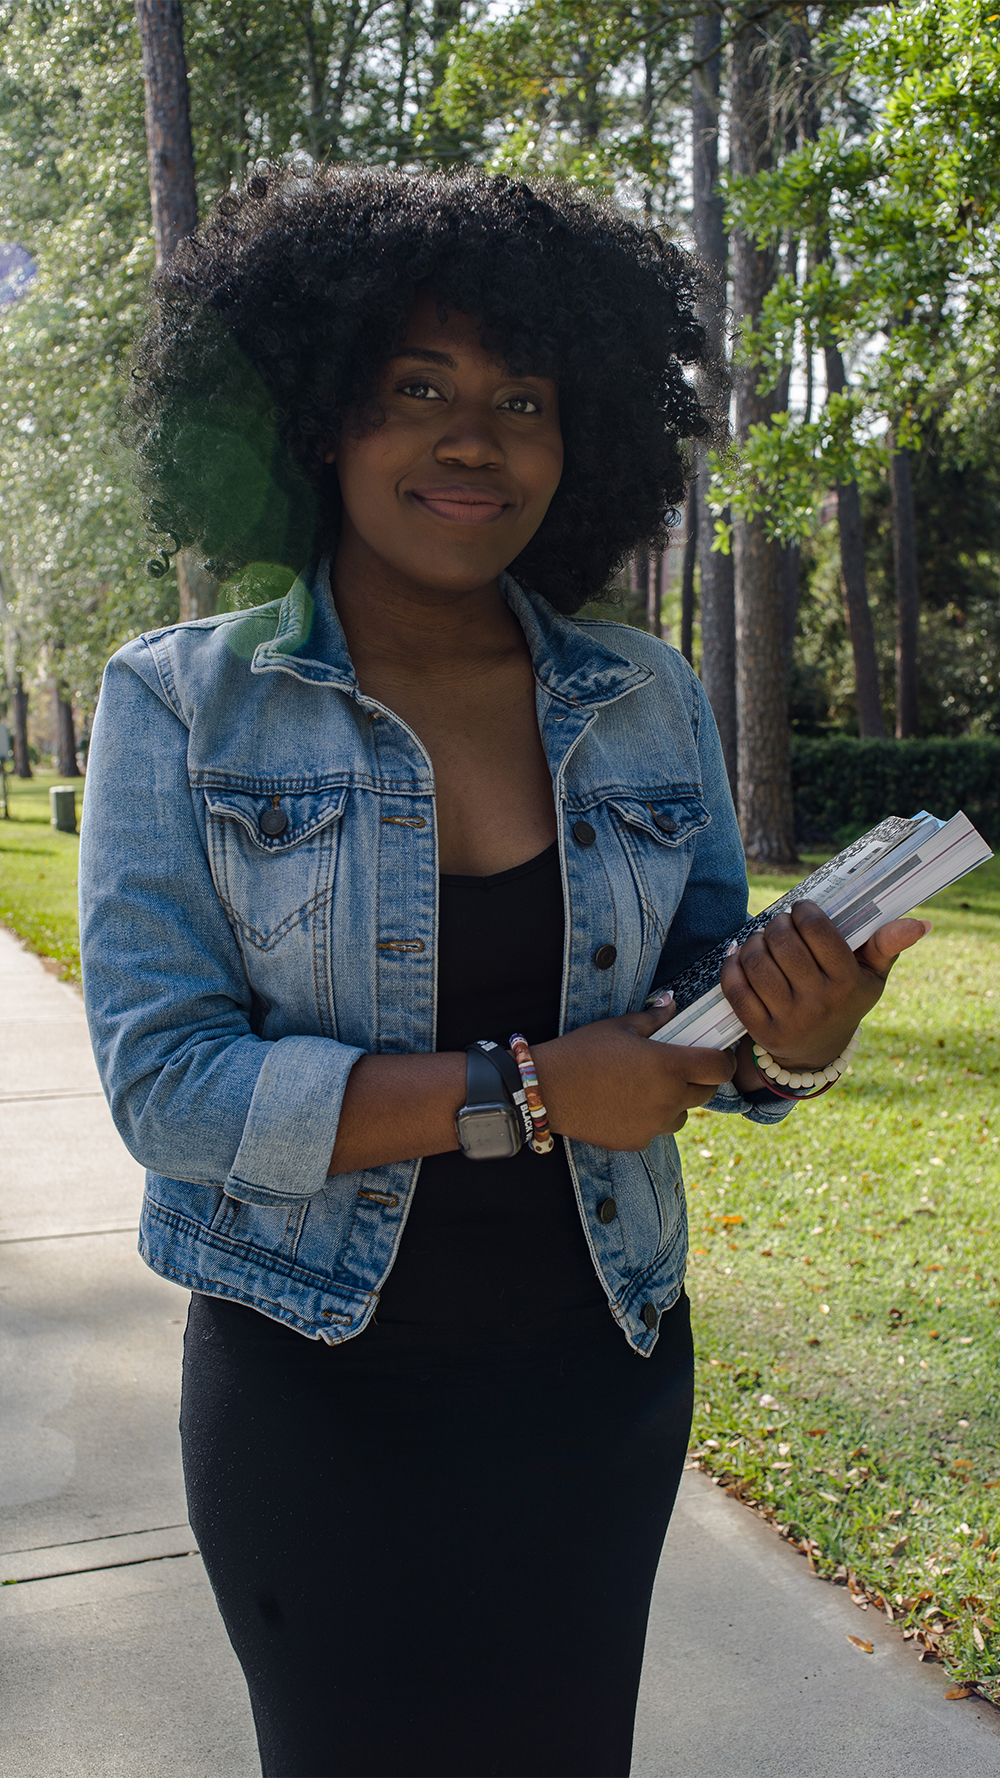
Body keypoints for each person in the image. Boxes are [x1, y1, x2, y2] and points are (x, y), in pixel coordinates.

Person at [79, 167, 927, 1778]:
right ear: (323, 416)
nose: (474, 438)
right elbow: (168, 1087)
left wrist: (791, 1037)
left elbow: (698, 1008)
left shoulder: (649, 695)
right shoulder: (187, 704)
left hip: (595, 1377)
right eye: (418, 388)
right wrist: (524, 1093)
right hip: (318, 1391)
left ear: (579, 437)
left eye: (521, 398)